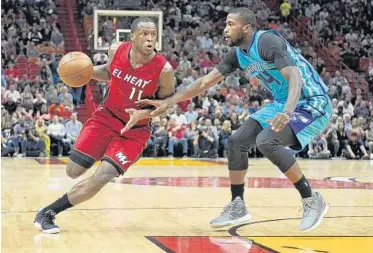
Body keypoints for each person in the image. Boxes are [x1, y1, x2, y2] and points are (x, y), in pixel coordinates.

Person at [137, 7, 332, 232]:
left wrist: (287, 111)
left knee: (267, 141)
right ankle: (238, 205)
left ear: (246, 28)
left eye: (231, 24)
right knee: (237, 141)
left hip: (311, 101)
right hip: (282, 103)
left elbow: (295, 75)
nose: (225, 29)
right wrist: (169, 101)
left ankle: (311, 199)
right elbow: (204, 82)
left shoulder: (267, 41)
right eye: (226, 24)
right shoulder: (238, 54)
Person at [34, 17, 175, 234]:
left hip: (133, 131)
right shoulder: (116, 50)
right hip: (105, 118)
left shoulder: (164, 70)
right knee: (73, 171)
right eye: (145, 34)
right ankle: (98, 157)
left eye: (153, 34)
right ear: (133, 37)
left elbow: (166, 105)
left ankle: (49, 212)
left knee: (102, 176)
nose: (150, 39)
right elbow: (109, 72)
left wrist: (143, 113)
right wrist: (84, 72)